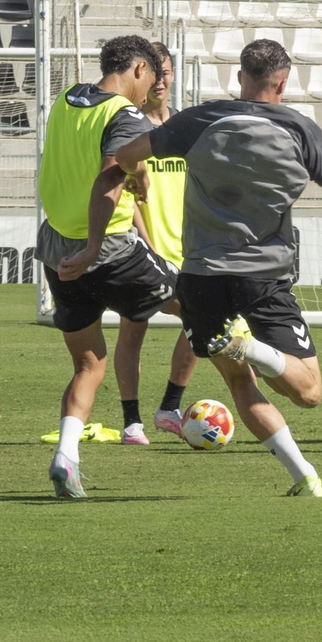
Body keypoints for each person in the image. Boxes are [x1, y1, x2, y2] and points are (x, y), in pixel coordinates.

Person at [63, 38, 322, 496]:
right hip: (266, 278)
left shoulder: (197, 120)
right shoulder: (300, 130)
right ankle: (262, 367)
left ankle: (302, 473)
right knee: (308, 392)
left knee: (239, 382)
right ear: (283, 82)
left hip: (201, 278)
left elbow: (121, 160)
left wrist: (134, 180)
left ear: (240, 78)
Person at [37, 35, 174, 497]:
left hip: (57, 248)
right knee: (200, 304)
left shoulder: (67, 97)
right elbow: (108, 176)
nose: (149, 89)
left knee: (88, 364)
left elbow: (93, 163)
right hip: (108, 249)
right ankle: (278, 369)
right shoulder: (125, 115)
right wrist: (96, 245)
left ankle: (66, 457)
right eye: (151, 78)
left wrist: (137, 177)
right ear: (138, 68)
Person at [125, 41, 201, 442]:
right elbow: (125, 187)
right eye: (155, 70)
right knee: (132, 330)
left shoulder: (185, 129)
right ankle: (131, 421)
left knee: (198, 321)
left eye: (167, 70)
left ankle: (170, 406)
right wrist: (145, 239)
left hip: (188, 249)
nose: (162, 79)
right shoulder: (128, 124)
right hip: (145, 247)